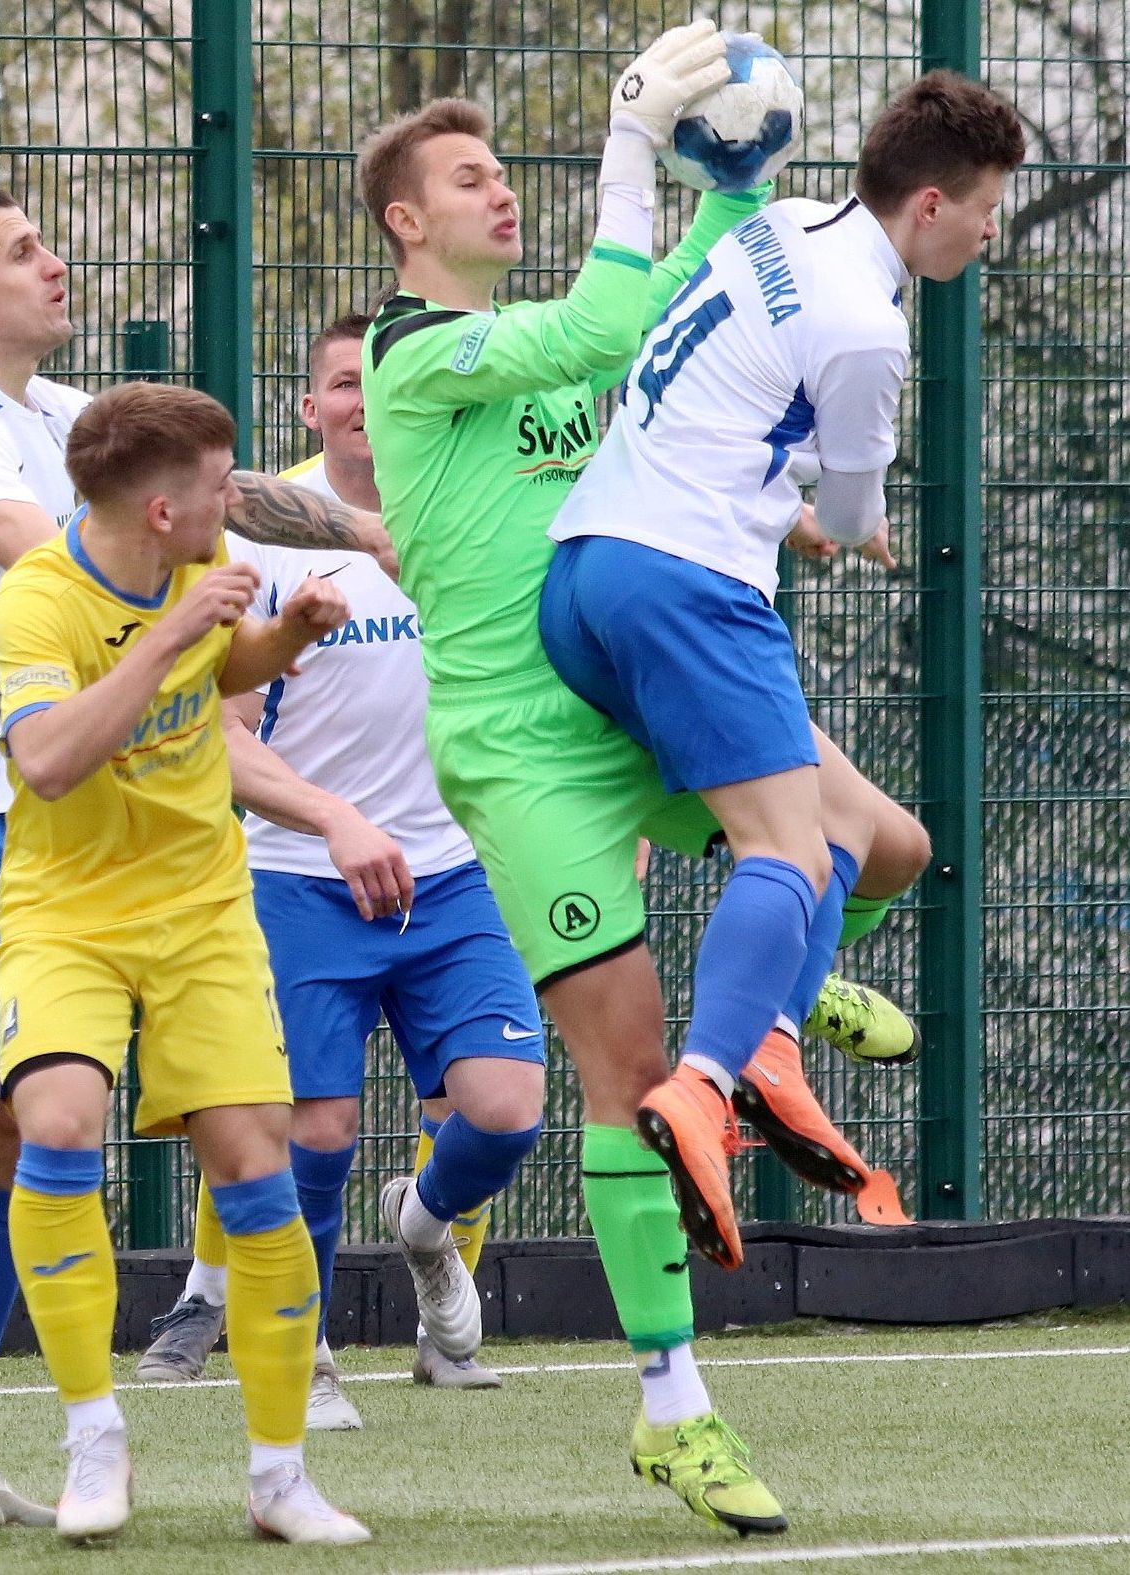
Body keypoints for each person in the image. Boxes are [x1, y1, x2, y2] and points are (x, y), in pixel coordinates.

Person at [0, 184, 397, 1531]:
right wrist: (181, 590)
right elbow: (67, 546)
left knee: (7, 1120)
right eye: (22, 250)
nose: (56, 262)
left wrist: (374, 535)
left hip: (7, 810)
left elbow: (206, 502)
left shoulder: (57, 418)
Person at [353, 25, 883, 1533]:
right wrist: (631, 147)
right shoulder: (413, 351)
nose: (499, 194)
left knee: (861, 830)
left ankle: (770, 1007)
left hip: (617, 690)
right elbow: (601, 321)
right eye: (471, 178)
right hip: (524, 757)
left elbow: (665, 305)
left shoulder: (564, 328)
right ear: (408, 222)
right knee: (628, 1069)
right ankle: (673, 1404)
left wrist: (730, 181)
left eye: (508, 171)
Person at [541, 72, 1026, 1252]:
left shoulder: (783, 220)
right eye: (986, 205)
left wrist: (780, 488)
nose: (991, 226)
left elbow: (720, 387)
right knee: (791, 849)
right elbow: (860, 514)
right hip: (690, 588)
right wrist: (830, 507)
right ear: (925, 205)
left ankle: (770, 1045)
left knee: (882, 840)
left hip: (591, 573)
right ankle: (705, 1087)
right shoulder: (870, 329)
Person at [136, 313, 542, 1420]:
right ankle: (299, 1348)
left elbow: (548, 680)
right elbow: (221, 738)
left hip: (456, 872)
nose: (365, 400)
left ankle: (423, 1227)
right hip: (298, 879)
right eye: (342, 385)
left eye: (384, 380)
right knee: (312, 1131)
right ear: (311, 407)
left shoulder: (486, 511)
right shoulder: (265, 531)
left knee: (507, 1112)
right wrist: (337, 824)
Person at [0, 380, 370, 1545]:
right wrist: (168, 635)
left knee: (259, 1174)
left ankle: (277, 1478)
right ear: (162, 510)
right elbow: (49, 761)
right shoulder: (36, 600)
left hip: (204, 912)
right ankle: (94, 1440)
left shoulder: (206, 576)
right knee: (56, 1125)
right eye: (217, 484)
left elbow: (220, 676)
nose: (236, 499)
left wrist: (285, 635)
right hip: (67, 916)